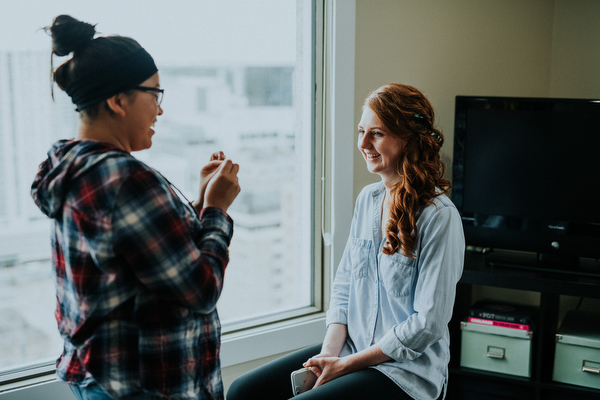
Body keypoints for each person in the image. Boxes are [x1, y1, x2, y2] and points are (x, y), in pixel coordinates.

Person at [30, 15, 240, 400]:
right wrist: (217, 210)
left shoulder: (73, 166)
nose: (160, 110)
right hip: (147, 387)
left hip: (101, 377)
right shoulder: (126, 179)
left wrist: (197, 201)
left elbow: (139, 250)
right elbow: (200, 288)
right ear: (118, 100)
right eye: (154, 93)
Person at [226, 83, 464, 400]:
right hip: (353, 348)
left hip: (405, 372)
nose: (363, 143)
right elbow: (344, 287)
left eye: (376, 134)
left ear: (407, 140)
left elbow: (427, 325)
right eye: (361, 131)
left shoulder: (439, 217)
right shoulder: (368, 200)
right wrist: (328, 357)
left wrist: (346, 365)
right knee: (244, 391)